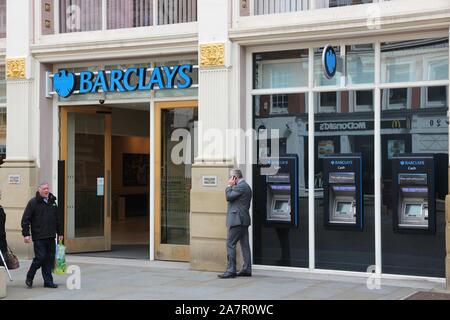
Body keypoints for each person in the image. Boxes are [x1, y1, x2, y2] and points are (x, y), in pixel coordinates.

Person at [21, 182, 64, 289]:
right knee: (40, 258)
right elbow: (25, 219)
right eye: (44, 188)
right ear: (39, 190)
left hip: (51, 236)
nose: (46, 190)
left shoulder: (53, 202)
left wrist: (60, 233)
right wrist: (26, 234)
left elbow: (58, 219)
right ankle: (29, 277)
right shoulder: (33, 202)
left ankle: (48, 282)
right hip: (39, 236)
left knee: (49, 260)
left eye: (47, 188)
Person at [218, 169, 253, 279]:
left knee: (230, 243)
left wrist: (229, 186)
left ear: (235, 178)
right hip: (243, 220)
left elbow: (229, 197)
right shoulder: (246, 186)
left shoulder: (241, 186)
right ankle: (247, 268)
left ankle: (231, 269)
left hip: (237, 220)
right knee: (244, 245)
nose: (229, 179)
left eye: (231, 177)